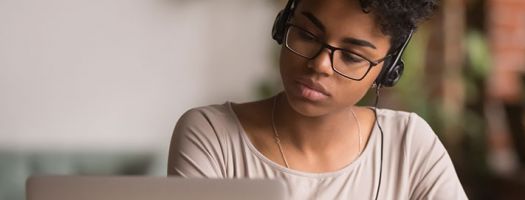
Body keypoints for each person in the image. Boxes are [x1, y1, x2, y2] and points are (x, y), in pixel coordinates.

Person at [167, 0, 468, 199]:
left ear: (387, 70)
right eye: (307, 35)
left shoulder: (409, 146)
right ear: (283, 25)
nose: (320, 65)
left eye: (351, 56)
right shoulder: (211, 136)